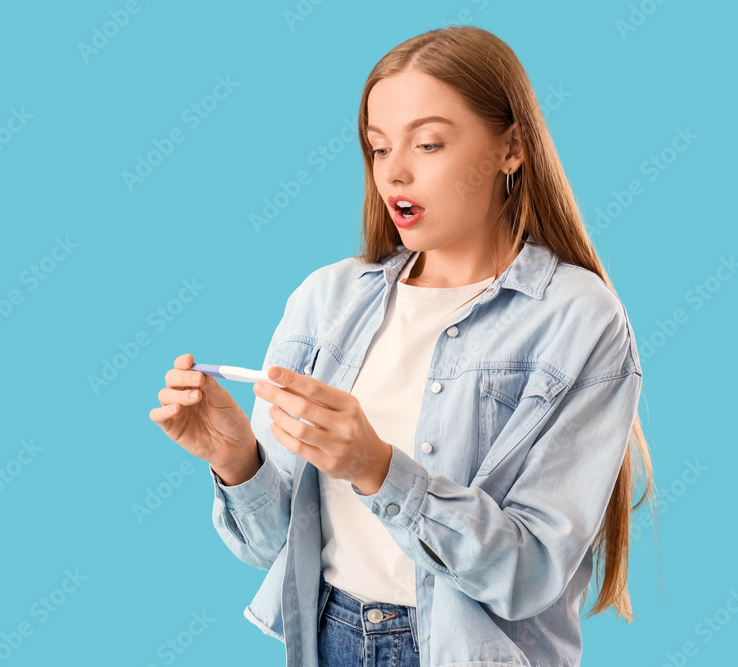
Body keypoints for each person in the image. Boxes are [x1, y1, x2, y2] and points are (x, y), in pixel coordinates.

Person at [150, 25, 657, 667]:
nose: (396, 173)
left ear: (511, 149)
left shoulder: (579, 319)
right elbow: (269, 543)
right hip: (327, 638)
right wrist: (235, 459)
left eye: (429, 143)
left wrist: (377, 468)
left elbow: (528, 572)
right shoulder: (326, 300)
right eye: (379, 147)